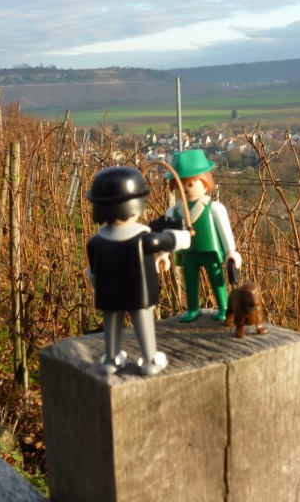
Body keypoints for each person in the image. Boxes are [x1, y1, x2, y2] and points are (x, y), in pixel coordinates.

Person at [86, 166, 190, 375]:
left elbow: (93, 273)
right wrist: (185, 234)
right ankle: (150, 360)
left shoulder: (96, 241)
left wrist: (98, 288)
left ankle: (111, 359)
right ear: (135, 205)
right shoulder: (144, 238)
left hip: (109, 294)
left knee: (112, 323)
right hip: (139, 294)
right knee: (144, 324)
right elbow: (171, 240)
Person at [165, 149, 241, 322]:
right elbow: (168, 235)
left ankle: (224, 307)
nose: (185, 188)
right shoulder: (174, 212)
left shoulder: (213, 208)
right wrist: (164, 254)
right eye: (180, 184)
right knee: (190, 281)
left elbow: (224, 229)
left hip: (210, 252)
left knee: (217, 278)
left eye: (190, 184)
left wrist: (231, 251)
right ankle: (193, 308)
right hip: (187, 253)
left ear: (205, 182)